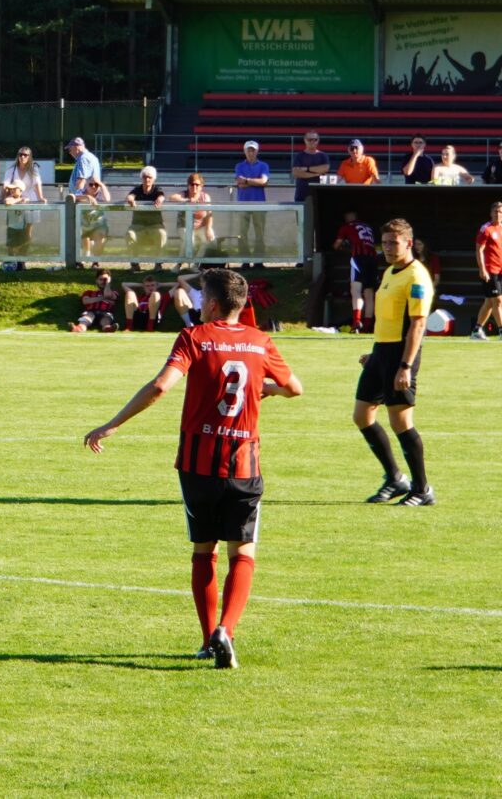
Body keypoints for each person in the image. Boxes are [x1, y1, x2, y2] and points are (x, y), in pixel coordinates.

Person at [84, 268, 303, 669]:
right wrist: (262, 388)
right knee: (243, 552)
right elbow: (295, 388)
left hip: (197, 464)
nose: (200, 302)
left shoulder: (194, 337)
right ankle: (227, 630)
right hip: (243, 462)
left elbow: (160, 386)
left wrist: (112, 424)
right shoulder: (260, 341)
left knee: (204, 551)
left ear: (215, 303)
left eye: (202, 295)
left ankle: (207, 639)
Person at [353, 218, 435, 507]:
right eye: (385, 242)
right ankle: (395, 478)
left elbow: (417, 325)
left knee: (401, 422)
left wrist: (405, 367)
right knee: (362, 415)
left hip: (401, 356)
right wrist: (375, 355)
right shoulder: (389, 271)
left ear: (408, 243)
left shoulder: (416, 277)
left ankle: (422, 489)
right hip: (381, 353)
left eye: (394, 243)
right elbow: (388, 318)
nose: (388, 248)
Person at [0, 146, 46, 269]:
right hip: (14, 202)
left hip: (30, 202)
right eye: (20, 154)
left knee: (27, 232)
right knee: (12, 230)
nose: (22, 157)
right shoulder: (12, 170)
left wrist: (41, 197)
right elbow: (5, 186)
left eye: (26, 155)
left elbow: (37, 184)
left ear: (30, 157)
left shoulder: (34, 169)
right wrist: (1, 198)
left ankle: (22, 260)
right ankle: (11, 259)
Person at [332, 210, 377, 334]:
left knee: (356, 290)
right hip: (372, 259)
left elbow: (336, 245)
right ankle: (368, 325)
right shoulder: (368, 227)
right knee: (369, 293)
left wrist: (344, 246)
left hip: (359, 258)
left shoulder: (346, 227)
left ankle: (356, 322)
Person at [470, 201, 502, 341]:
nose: (498, 214)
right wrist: (482, 269)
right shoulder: (486, 229)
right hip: (491, 270)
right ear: (491, 213)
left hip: (500, 270)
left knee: (489, 302)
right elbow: (479, 249)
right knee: (498, 301)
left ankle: (476, 331)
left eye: (500, 212)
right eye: (496, 211)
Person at [234, 141, 269, 259]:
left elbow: (263, 181)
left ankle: (259, 259)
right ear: (244, 151)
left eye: (253, 150)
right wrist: (256, 182)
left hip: (259, 203)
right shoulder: (239, 166)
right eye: (248, 150)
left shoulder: (263, 165)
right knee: (242, 233)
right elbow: (240, 182)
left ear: (257, 151)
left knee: (260, 233)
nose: (250, 152)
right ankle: (245, 259)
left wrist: (247, 181)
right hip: (243, 203)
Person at [125, 166, 166, 263]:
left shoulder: (157, 189)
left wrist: (160, 199)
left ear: (154, 179)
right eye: (144, 177)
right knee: (130, 234)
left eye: (149, 177)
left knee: (162, 234)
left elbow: (161, 195)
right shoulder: (137, 189)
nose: (147, 179)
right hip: (137, 225)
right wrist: (130, 199)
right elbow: (130, 196)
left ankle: (158, 263)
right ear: (141, 178)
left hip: (155, 225)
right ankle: (134, 263)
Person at [169, 174, 214, 255]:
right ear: (188, 185)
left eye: (197, 184)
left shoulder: (205, 197)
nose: (194, 187)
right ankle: (178, 265)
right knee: (190, 241)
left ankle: (196, 264)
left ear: (202, 186)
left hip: (201, 226)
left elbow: (209, 215)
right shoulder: (184, 193)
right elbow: (172, 198)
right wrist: (187, 200)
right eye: (192, 184)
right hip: (184, 226)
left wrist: (208, 229)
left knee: (210, 240)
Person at [290, 130, 330, 202]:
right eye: (310, 139)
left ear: (318, 141)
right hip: (302, 194)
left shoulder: (323, 155)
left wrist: (306, 169)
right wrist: (317, 174)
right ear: (305, 140)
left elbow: (325, 168)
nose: (312, 142)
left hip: (319, 193)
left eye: (315, 140)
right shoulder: (299, 156)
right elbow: (296, 173)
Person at [78, 177, 111, 261]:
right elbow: (73, 197)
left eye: (96, 185)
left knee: (101, 237)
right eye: (91, 184)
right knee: (79, 236)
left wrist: (102, 185)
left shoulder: (100, 193)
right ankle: (80, 261)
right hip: (82, 225)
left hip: (98, 225)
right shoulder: (81, 192)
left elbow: (107, 199)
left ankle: (95, 261)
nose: (93, 187)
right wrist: (87, 197)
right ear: (86, 185)